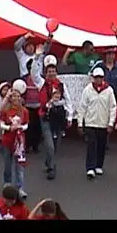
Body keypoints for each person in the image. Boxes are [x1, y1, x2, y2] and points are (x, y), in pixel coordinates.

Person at [30, 49, 75, 180]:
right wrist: (37, 56)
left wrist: (69, 116)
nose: (51, 74)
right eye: (49, 71)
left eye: (53, 71)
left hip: (59, 118)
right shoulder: (41, 83)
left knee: (56, 144)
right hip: (45, 117)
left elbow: (68, 101)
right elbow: (34, 73)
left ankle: (49, 160)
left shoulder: (61, 85)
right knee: (49, 144)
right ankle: (52, 167)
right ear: (46, 72)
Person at [77, 68, 117, 179]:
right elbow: (82, 107)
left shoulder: (109, 90)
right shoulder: (88, 90)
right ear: (93, 78)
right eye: (96, 78)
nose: (98, 80)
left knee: (101, 145)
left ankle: (99, 165)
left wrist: (111, 123)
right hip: (91, 122)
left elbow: (112, 107)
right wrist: (80, 123)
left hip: (103, 123)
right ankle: (90, 167)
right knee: (91, 145)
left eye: (100, 77)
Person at [0, 85, 30, 196]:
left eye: (18, 96)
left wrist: (20, 127)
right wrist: (9, 128)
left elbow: (26, 125)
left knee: (19, 166)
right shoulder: (5, 110)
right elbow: (1, 124)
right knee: (7, 164)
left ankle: (20, 187)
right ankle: (7, 184)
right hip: (7, 141)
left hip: (19, 142)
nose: (16, 99)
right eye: (13, 96)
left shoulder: (24, 111)